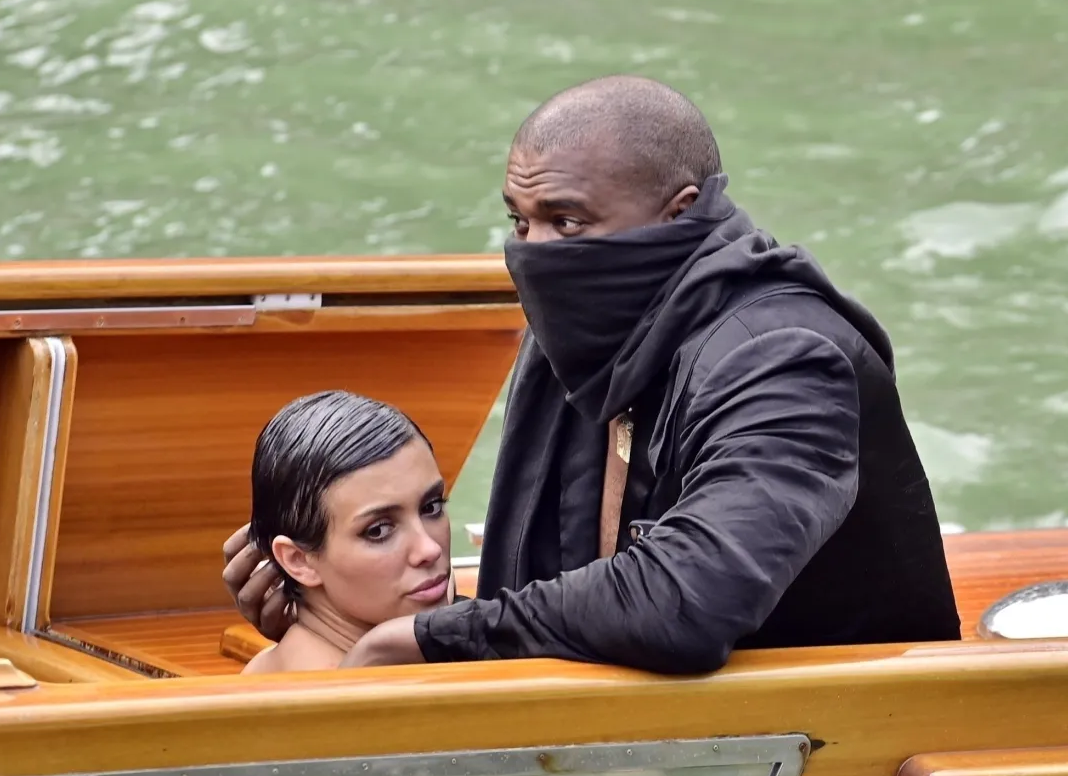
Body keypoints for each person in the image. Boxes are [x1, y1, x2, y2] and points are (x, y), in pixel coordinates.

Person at [225, 74, 960, 674]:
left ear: (679, 215)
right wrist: (332, 610)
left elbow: (688, 600)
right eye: (521, 222)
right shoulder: (581, 331)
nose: (535, 254)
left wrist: (421, 638)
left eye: (567, 223)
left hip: (821, 756)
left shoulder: (786, 360)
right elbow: (547, 590)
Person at [237, 390, 452, 674]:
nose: (430, 549)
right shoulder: (358, 701)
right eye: (378, 531)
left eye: (432, 507)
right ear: (298, 560)